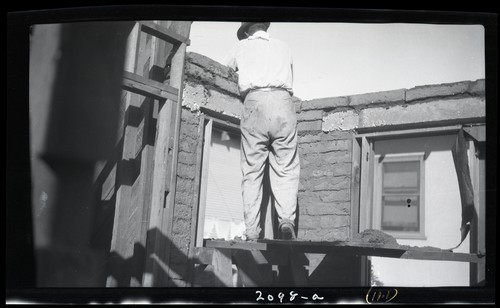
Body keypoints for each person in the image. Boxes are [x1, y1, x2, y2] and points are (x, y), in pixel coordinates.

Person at [225, 22, 300, 241]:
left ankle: (251, 230)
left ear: (247, 30)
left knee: (252, 169)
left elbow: (223, 70)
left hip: (254, 101)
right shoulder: (284, 46)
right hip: (283, 102)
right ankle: (286, 221)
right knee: (286, 166)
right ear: (264, 27)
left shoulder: (240, 47)